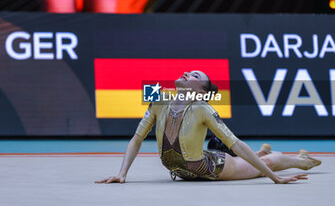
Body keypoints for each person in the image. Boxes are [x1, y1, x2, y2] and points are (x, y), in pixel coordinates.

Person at [95, 70, 321, 184]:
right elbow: (136, 138)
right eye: (189, 71)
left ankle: (303, 161)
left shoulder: (203, 108)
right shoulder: (159, 101)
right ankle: (263, 152)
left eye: (194, 76)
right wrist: (121, 174)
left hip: (216, 168)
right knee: (244, 155)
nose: (187, 73)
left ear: (201, 92)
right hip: (189, 169)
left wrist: (275, 178)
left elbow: (236, 143)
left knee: (264, 164)